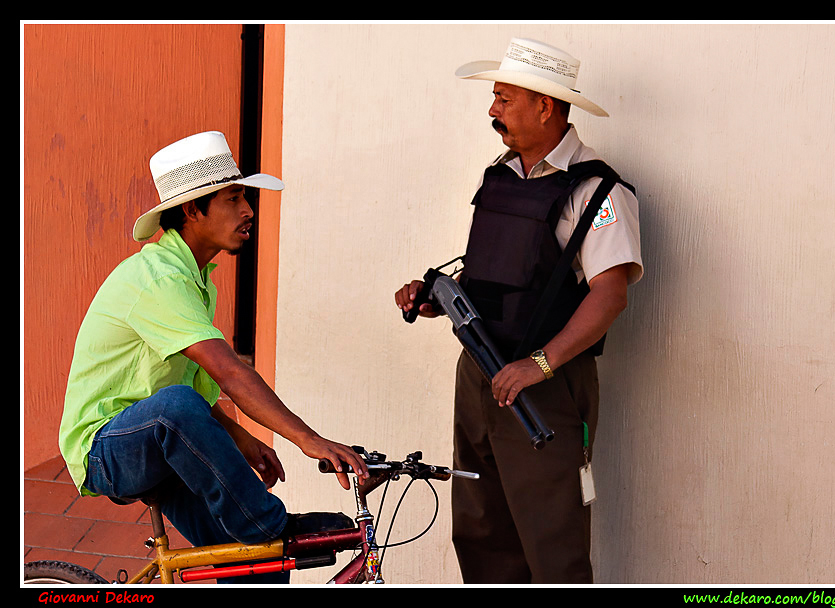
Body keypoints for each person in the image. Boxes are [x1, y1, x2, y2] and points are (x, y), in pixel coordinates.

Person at [58, 131, 368, 584]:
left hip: (158, 443)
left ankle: (259, 543)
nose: (248, 211)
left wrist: (242, 441)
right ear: (192, 210)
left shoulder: (198, 281)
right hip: (106, 449)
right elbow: (227, 373)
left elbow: (203, 389)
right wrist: (310, 440)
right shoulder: (158, 279)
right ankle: (269, 524)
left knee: (250, 564)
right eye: (233, 198)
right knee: (257, 525)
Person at [395, 38, 643, 584]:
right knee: (480, 531)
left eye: (504, 99)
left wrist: (541, 365)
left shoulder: (598, 193)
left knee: (551, 538)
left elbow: (610, 293)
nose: (492, 111)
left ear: (545, 106)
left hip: (546, 387)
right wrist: (435, 297)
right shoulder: (500, 176)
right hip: (480, 377)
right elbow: (498, 277)